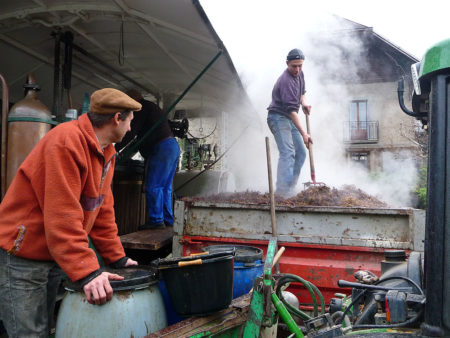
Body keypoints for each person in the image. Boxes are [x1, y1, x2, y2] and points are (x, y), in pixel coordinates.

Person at [0, 88, 142, 337]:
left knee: (48, 326)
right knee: (29, 333)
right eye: (130, 121)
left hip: (53, 253)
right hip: (23, 253)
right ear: (117, 118)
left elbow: (101, 209)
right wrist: (88, 273)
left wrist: (117, 257)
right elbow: (62, 216)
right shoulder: (66, 142)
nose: (131, 129)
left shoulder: (105, 151)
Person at [115, 89, 180, 229]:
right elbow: (138, 139)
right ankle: (168, 220)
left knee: (154, 185)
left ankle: (156, 221)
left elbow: (130, 133)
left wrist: (114, 147)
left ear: (133, 100)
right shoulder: (151, 107)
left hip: (162, 148)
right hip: (172, 146)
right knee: (165, 187)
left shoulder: (140, 109)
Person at [267, 48, 313, 196]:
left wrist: (304, 103)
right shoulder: (286, 81)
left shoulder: (300, 73)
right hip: (278, 117)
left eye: (300, 65)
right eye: (294, 66)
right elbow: (292, 113)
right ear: (287, 63)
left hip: (289, 118)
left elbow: (302, 92)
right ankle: (282, 193)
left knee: (301, 153)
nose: (298, 69)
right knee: (288, 152)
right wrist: (304, 134)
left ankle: (290, 189)